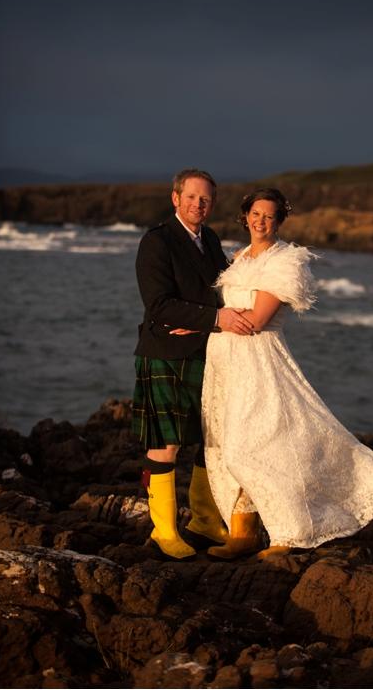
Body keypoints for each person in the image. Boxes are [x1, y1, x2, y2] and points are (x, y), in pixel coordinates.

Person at [197, 188, 373, 559]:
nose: (261, 221)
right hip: (224, 360)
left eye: (269, 216)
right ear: (245, 216)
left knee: (253, 448)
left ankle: (289, 533)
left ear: (278, 221)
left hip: (257, 359)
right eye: (255, 214)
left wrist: (212, 321)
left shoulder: (284, 261)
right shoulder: (238, 257)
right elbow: (227, 308)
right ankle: (241, 533)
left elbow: (257, 320)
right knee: (228, 447)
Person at [133, 168, 253, 559]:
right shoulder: (158, 241)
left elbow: (217, 293)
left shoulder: (211, 240)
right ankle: (164, 532)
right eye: (191, 197)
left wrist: (201, 320)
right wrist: (212, 319)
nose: (198, 204)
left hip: (205, 352)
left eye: (205, 199)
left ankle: (203, 521)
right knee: (165, 444)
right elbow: (159, 305)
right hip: (165, 353)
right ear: (175, 198)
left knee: (210, 439)